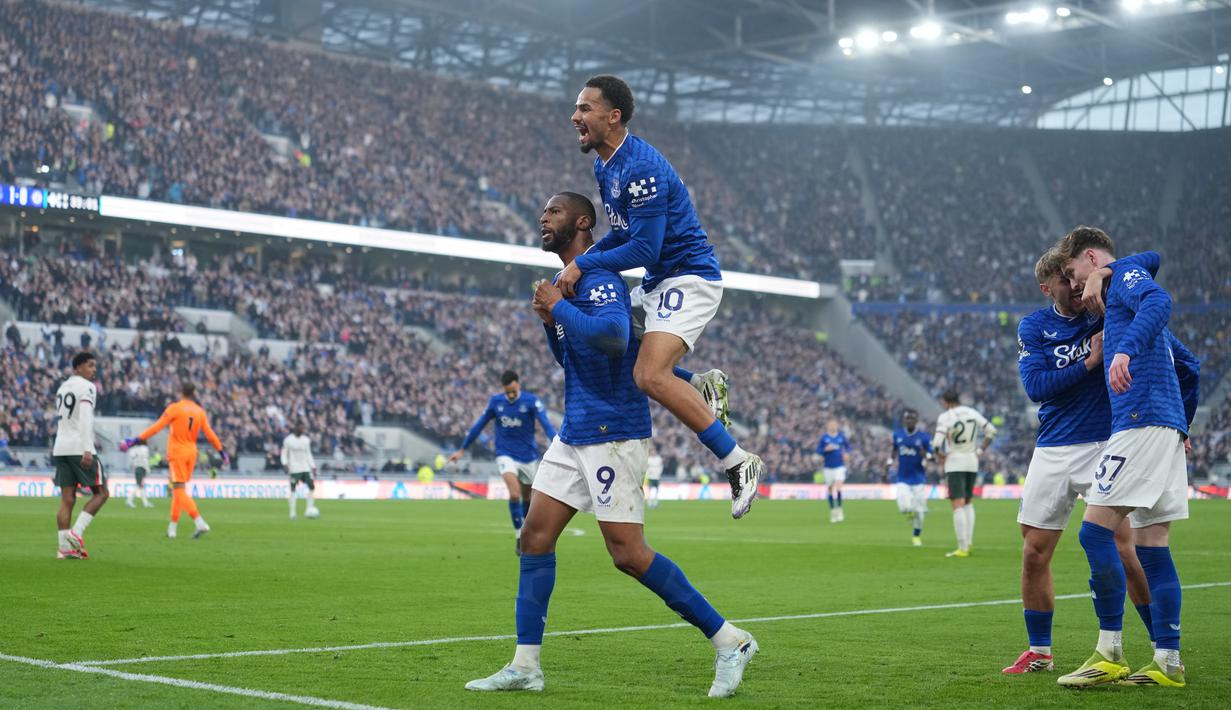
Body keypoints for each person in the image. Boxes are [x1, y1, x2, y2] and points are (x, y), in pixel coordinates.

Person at [464, 192, 757, 697]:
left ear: (583, 222)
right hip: (575, 430)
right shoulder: (567, 282)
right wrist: (551, 323)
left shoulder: (598, 278)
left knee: (628, 554)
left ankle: (730, 640)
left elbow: (615, 337)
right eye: (543, 212)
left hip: (613, 432)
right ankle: (526, 666)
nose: (543, 217)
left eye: (554, 212)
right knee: (533, 538)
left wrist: (559, 307)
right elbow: (572, 357)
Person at [560, 75, 763, 519]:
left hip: (689, 278)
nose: (575, 116)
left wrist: (584, 265)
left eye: (585, 108)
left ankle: (738, 461)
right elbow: (622, 234)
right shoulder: (606, 166)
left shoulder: (641, 168)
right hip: (658, 282)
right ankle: (699, 383)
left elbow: (645, 250)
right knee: (618, 343)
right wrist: (582, 261)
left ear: (613, 116)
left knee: (649, 376)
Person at [1005, 247, 1168, 675]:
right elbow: (1036, 387)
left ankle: (1161, 647)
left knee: (1122, 548)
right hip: (1053, 447)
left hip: (1104, 442)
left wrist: (1103, 273)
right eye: (1066, 282)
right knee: (1034, 552)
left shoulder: (1103, 307)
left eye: (1077, 277)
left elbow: (1151, 258)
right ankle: (1040, 652)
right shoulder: (1034, 326)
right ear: (1048, 288)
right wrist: (1089, 362)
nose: (1076, 286)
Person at [1056, 226, 1200, 688]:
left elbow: (1159, 300)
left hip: (1139, 422)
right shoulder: (1121, 281)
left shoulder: (1121, 280)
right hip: (1163, 427)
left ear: (1091, 258)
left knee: (1094, 533)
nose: (1074, 283)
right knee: (1152, 546)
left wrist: (1123, 352)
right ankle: (1168, 662)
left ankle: (1109, 653)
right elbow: (1191, 366)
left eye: (1073, 272)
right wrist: (1182, 423)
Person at [449, 370, 557, 555]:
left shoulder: (531, 401)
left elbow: (546, 424)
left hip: (528, 456)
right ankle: (518, 536)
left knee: (527, 499)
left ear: (518, 384)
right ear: (504, 388)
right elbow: (479, 425)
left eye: (513, 391)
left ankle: (525, 532)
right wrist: (462, 449)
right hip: (505, 454)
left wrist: (557, 443)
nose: (511, 395)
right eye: (508, 392)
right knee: (514, 494)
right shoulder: (496, 402)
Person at [121, 382, 227, 539]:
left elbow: (157, 427)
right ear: (194, 394)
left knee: (179, 490)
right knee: (178, 491)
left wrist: (136, 439)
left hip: (178, 453)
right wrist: (221, 451)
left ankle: (200, 522)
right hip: (192, 453)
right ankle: (172, 530)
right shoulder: (199, 412)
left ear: (181, 392)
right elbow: (210, 434)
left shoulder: (175, 408)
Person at [52, 351, 109, 559]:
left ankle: (64, 548)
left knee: (67, 499)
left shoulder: (62, 388)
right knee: (102, 493)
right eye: (90, 365)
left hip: (61, 447)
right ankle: (76, 532)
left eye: (95, 366)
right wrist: (87, 448)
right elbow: (85, 418)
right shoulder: (87, 387)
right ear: (78, 368)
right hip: (79, 446)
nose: (94, 370)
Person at [932, 390, 997, 558]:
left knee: (957, 503)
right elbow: (991, 431)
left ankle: (962, 547)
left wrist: (939, 454)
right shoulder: (972, 412)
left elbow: (937, 442)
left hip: (955, 461)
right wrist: (980, 450)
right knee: (968, 501)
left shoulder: (946, 416)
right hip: (972, 460)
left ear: (945, 402)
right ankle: (968, 543)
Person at [890, 409, 931, 546]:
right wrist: (890, 461)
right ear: (904, 420)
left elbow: (931, 456)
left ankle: (916, 536)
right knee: (904, 508)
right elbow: (894, 450)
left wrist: (926, 455)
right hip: (902, 478)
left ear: (916, 420)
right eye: (907, 418)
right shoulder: (897, 435)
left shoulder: (924, 437)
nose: (909, 421)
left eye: (912, 418)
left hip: (918, 479)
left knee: (919, 512)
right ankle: (911, 512)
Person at [816, 419, 851, 523]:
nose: (833, 427)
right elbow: (818, 450)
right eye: (831, 425)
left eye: (835, 425)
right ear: (828, 426)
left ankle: (839, 509)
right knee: (830, 489)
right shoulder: (824, 438)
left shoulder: (840, 436)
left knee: (839, 487)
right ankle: (833, 511)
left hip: (839, 466)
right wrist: (825, 450)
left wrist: (847, 453)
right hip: (828, 466)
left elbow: (848, 447)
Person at [281, 423, 318, 520]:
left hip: (305, 467)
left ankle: (309, 509)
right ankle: (292, 512)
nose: (303, 430)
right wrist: (285, 464)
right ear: (296, 428)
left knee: (312, 487)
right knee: (293, 490)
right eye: (301, 428)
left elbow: (308, 454)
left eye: (303, 428)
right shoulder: (288, 440)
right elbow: (284, 453)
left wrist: (313, 466)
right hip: (294, 468)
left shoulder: (306, 440)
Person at [125, 438, 154, 508]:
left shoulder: (133, 449)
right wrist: (148, 469)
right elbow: (145, 459)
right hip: (142, 468)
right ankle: (129, 500)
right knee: (139, 485)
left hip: (137, 468)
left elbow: (131, 460)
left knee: (141, 486)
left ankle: (145, 503)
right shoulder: (145, 449)